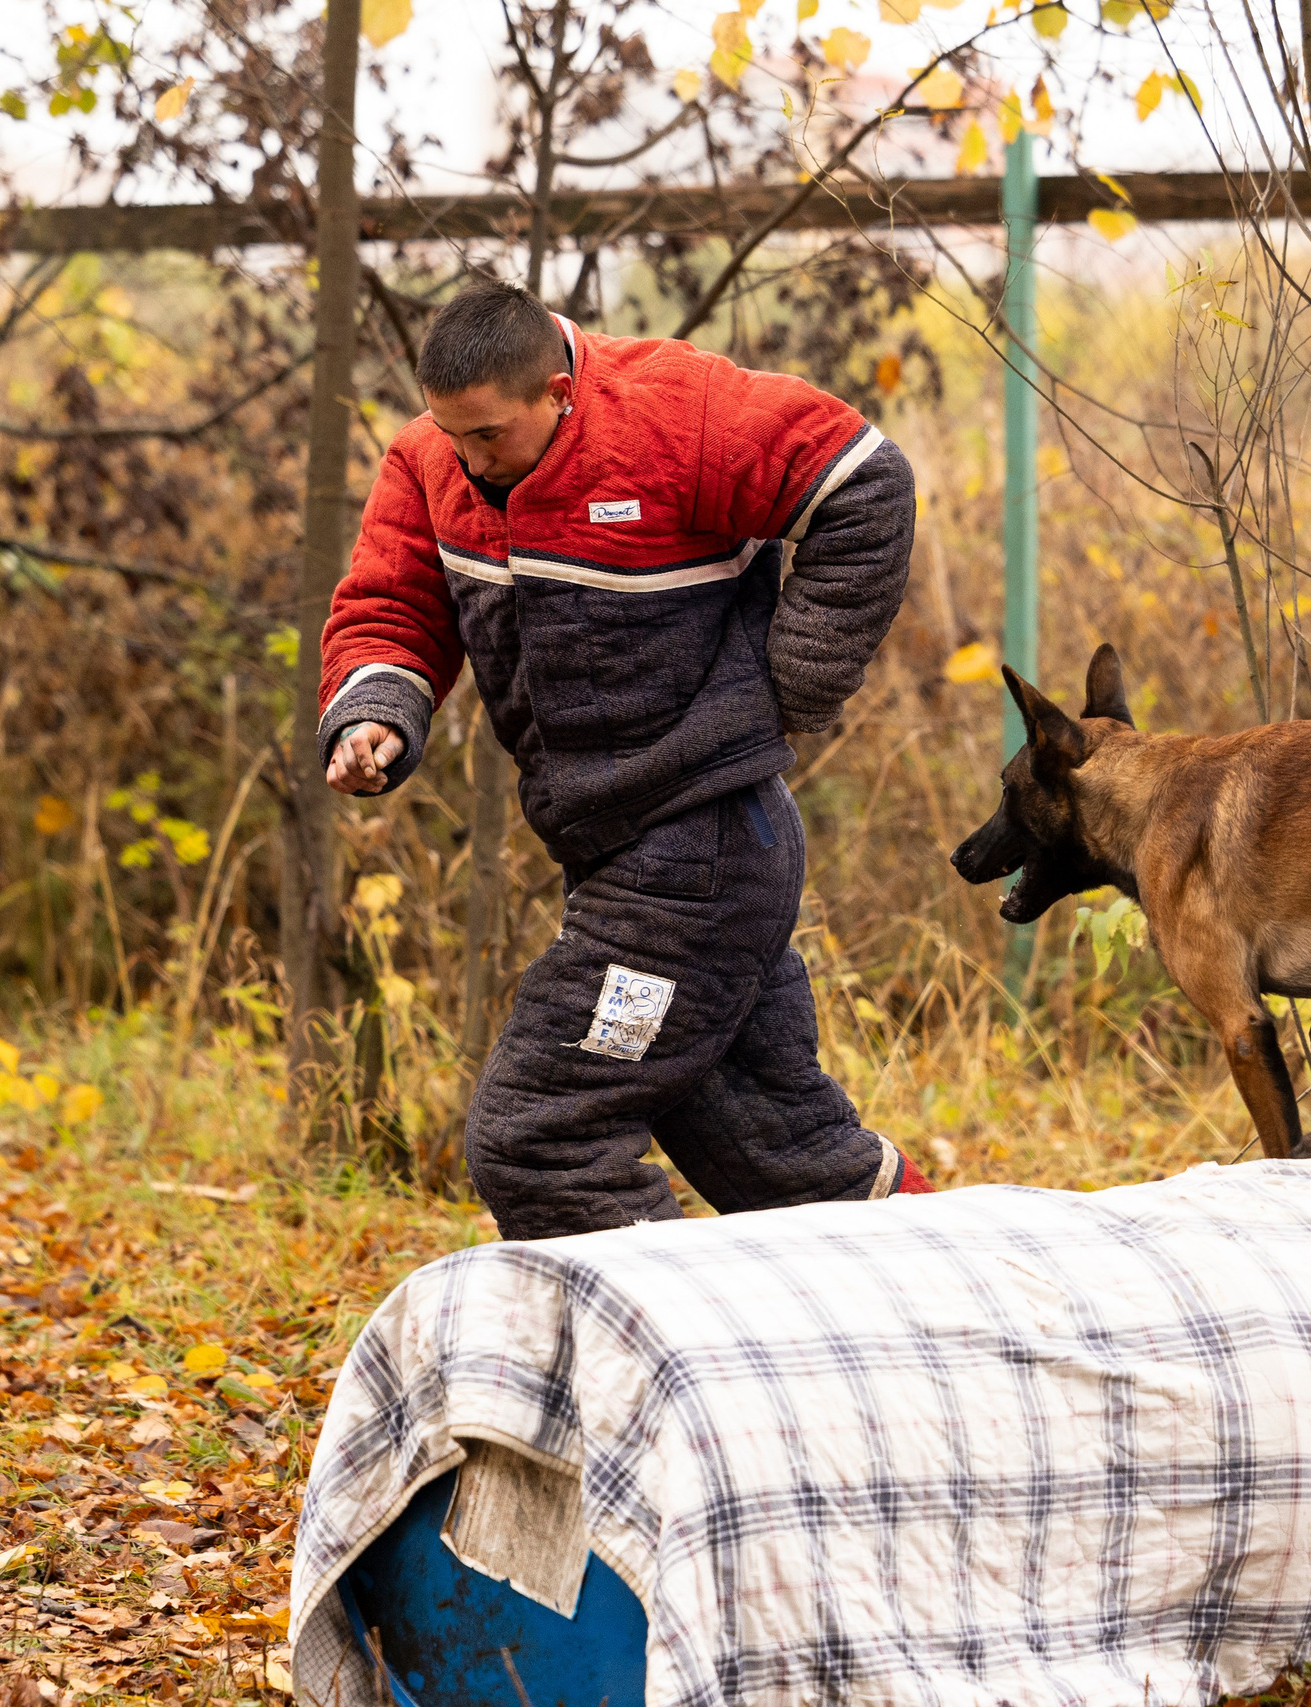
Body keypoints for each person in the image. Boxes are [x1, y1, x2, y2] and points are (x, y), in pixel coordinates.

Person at [316, 279, 932, 1239]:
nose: (467, 461)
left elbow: (866, 481)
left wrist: (791, 686)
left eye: (487, 437)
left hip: (701, 857)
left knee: (538, 1138)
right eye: (450, 434)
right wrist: (378, 713)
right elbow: (390, 604)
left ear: (558, 394)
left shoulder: (674, 414)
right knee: (779, 1154)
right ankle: (948, 1288)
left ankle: (660, 1362)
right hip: (624, 858)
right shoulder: (431, 459)